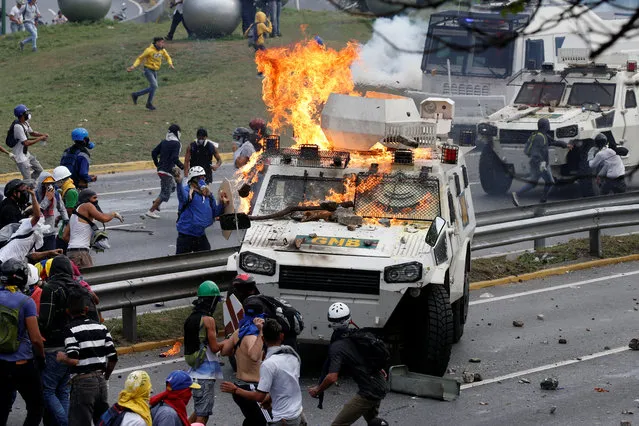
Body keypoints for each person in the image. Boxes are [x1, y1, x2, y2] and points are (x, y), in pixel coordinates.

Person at [39, 255, 98, 426]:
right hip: (75, 346)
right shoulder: (79, 287)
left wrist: (32, 322)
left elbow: (45, 322)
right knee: (63, 390)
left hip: (55, 347)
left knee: (47, 390)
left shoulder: (51, 288)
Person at [309, 303, 389, 426]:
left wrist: (318, 390)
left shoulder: (337, 346)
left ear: (330, 320)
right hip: (379, 383)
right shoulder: (356, 335)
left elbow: (332, 377)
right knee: (373, 421)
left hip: (369, 390)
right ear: (349, 318)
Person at [221, 319, 306, 426]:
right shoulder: (293, 356)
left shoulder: (268, 364)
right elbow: (286, 384)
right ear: (282, 336)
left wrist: (235, 389)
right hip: (297, 413)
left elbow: (259, 397)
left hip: (282, 419)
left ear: (262, 339)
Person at [56, 290, 118, 426]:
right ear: (86, 309)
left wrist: (62, 358)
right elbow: (113, 357)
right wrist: (105, 376)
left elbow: (74, 359)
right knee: (102, 422)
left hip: (82, 384)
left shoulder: (70, 329)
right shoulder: (101, 327)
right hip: (101, 383)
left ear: (68, 311)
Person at [0, 258, 45, 426]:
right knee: (36, 406)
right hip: (21, 363)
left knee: (3, 407)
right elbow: (36, 338)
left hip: (0, 364)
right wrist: (41, 358)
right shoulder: (26, 302)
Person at [183, 281, 225, 425]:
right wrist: (228, 341)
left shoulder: (191, 318)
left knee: (199, 410)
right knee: (203, 416)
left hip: (194, 373)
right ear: (212, 301)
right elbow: (214, 348)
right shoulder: (208, 320)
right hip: (205, 376)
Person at [221, 304, 270, 425]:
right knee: (269, 422)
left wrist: (239, 350)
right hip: (252, 388)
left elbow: (225, 351)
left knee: (252, 421)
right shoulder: (253, 335)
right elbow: (254, 356)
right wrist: (261, 332)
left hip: (240, 386)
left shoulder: (238, 332)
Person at [511, 118, 572, 207]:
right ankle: (540, 201)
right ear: (545, 126)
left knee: (536, 182)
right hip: (540, 164)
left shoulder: (541, 135)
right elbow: (535, 152)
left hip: (540, 164)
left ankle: (537, 200)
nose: (549, 126)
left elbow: (554, 142)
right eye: (548, 124)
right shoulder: (540, 137)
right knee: (548, 182)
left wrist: (566, 145)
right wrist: (541, 163)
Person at [232, 273, 302, 349]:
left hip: (276, 344)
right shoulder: (263, 298)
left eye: (237, 289)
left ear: (241, 290)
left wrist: (234, 338)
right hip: (289, 340)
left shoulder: (251, 303)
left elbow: (252, 328)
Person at [63, 189, 124, 269]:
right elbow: (103, 218)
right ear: (87, 198)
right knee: (89, 278)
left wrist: (80, 243)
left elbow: (65, 236)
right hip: (81, 253)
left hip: (71, 252)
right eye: (94, 198)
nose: (96, 200)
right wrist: (114, 214)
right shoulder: (87, 205)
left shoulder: (74, 214)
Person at [175, 166, 228, 254]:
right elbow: (182, 197)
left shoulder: (208, 195)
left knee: (206, 259)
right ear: (193, 179)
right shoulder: (188, 191)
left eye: (203, 177)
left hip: (200, 234)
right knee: (181, 262)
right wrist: (179, 183)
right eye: (199, 178)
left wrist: (223, 203)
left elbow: (215, 213)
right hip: (186, 234)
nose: (202, 180)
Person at [146, 124, 184, 219]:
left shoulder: (164, 142)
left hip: (162, 170)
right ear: (177, 133)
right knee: (165, 193)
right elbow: (174, 158)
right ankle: (151, 211)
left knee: (172, 187)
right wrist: (182, 166)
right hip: (167, 171)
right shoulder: (176, 144)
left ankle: (156, 203)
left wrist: (157, 163)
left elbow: (154, 152)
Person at [127, 37, 175, 111]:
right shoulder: (149, 50)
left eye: (163, 42)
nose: (163, 44)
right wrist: (133, 66)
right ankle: (136, 95)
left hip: (155, 70)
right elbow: (140, 58)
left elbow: (167, 57)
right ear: (156, 42)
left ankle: (148, 103)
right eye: (161, 42)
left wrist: (170, 64)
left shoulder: (162, 50)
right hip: (148, 70)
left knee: (153, 87)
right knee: (154, 86)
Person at [10, 104, 48, 180]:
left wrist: (43, 135)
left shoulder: (25, 123)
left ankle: (29, 185)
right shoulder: (18, 127)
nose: (28, 114)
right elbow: (26, 143)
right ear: (22, 115)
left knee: (39, 170)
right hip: (20, 157)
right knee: (27, 180)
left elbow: (32, 133)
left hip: (25, 153)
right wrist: (40, 138)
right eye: (26, 113)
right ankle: (27, 186)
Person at [36, 172, 69, 251]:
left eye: (51, 183)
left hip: (50, 232)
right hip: (37, 233)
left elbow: (62, 208)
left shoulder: (56, 194)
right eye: (46, 184)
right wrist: (47, 199)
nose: (49, 186)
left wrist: (66, 220)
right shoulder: (35, 195)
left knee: (50, 256)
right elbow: (37, 211)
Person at [52, 166, 78, 251]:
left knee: (61, 244)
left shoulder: (70, 191)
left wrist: (59, 217)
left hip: (70, 223)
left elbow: (69, 210)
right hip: (67, 222)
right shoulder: (66, 189)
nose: (56, 183)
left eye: (57, 181)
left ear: (62, 180)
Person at [244, 11, 272, 76]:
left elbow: (245, 34)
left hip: (254, 44)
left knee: (261, 57)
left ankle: (262, 71)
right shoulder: (261, 25)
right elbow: (269, 31)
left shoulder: (253, 25)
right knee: (265, 57)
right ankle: (261, 72)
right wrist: (270, 23)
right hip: (260, 44)